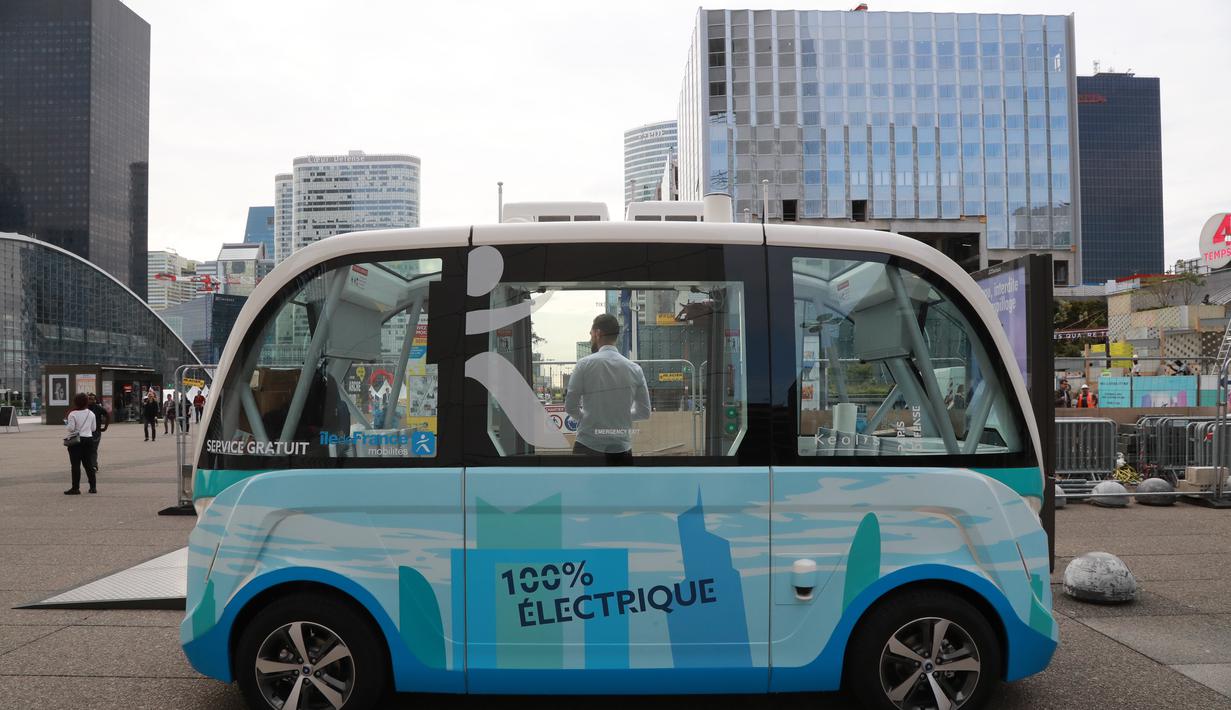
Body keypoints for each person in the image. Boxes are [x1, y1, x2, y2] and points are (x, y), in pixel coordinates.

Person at [564, 314, 651, 463]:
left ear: (598, 333)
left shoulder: (584, 365)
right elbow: (644, 412)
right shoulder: (635, 369)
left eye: (591, 334)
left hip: (587, 445)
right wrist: (619, 416)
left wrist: (589, 417)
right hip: (621, 449)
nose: (590, 338)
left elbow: (570, 407)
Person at [63, 392, 97, 494]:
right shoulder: (91, 413)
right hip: (88, 439)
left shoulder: (72, 414)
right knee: (88, 464)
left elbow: (71, 428)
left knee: (75, 465)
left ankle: (75, 488)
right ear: (86, 402)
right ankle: (93, 487)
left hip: (76, 441)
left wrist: (66, 423)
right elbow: (93, 428)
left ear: (76, 402)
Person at [85, 392, 109, 475]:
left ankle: (94, 465)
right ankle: (91, 464)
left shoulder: (98, 408)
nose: (90, 401)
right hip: (86, 432)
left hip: (96, 432)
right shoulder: (84, 408)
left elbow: (107, 415)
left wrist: (105, 427)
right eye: (89, 399)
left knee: (93, 449)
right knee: (87, 450)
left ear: (95, 400)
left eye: (92, 399)